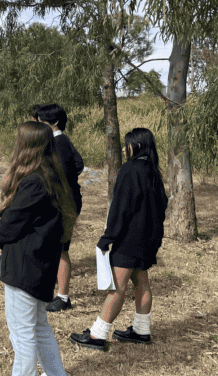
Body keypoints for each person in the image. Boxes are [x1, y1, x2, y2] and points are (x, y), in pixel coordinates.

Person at [0, 121, 76, 376]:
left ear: (26, 146)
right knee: (39, 326)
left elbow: (10, 225)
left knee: (22, 332)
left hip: (25, 267)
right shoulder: (53, 176)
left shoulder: (33, 182)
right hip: (42, 264)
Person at [70, 127, 168, 350]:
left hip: (129, 239)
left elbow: (120, 207)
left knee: (118, 286)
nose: (124, 149)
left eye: (127, 145)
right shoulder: (154, 171)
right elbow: (163, 204)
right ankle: (142, 330)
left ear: (138, 146)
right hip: (149, 238)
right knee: (141, 281)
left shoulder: (130, 169)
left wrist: (108, 237)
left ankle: (98, 334)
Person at [34, 104, 85, 313]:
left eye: (42, 121)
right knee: (54, 247)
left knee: (61, 249)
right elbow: (79, 164)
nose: (39, 125)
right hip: (63, 202)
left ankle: (63, 297)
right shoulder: (59, 141)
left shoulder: (59, 143)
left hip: (62, 204)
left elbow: (63, 171)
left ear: (54, 122)